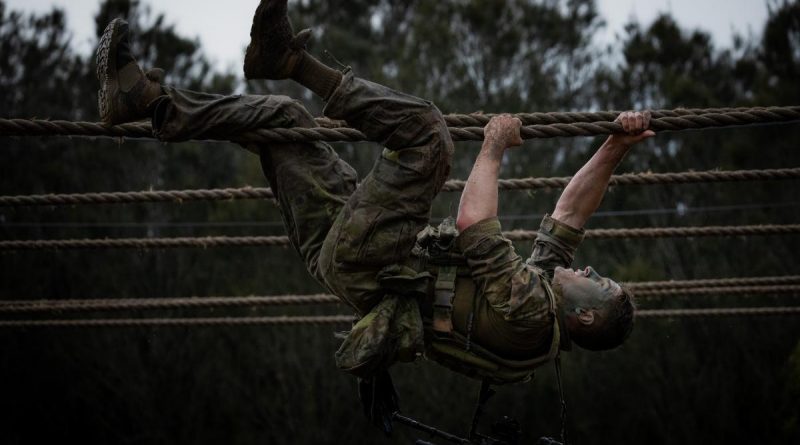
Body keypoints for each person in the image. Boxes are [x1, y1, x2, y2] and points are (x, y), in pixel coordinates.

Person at [97, 0, 651, 427]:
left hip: (370, 258)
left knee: (428, 138)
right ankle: (148, 102)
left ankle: (288, 60)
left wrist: (494, 145)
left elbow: (473, 226)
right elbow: (569, 216)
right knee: (282, 120)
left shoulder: (531, 312)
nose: (590, 271)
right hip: (354, 260)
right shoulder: (543, 300)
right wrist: (615, 147)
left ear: (584, 319)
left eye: (599, 284)